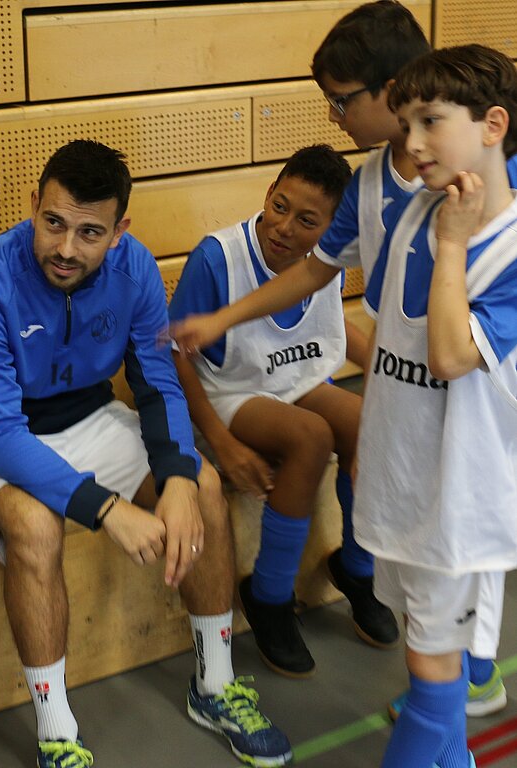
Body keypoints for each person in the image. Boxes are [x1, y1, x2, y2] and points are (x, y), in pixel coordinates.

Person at [171, 0, 515, 715]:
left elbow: (449, 349)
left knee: (445, 635)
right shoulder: (386, 191)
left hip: (467, 428)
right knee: (430, 612)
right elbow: (349, 293)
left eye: (341, 99)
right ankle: (363, 616)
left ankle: (453, 686)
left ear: (394, 90)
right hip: (409, 413)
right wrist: (224, 320)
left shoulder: (477, 203)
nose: (333, 113)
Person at [0, 139, 292, 768]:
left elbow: (157, 381)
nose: (66, 248)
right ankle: (57, 733)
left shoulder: (137, 270)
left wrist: (178, 474)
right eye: (53, 223)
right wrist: (105, 509)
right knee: (33, 524)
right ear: (33, 207)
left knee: (203, 486)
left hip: (90, 416)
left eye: (89, 231)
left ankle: (213, 686)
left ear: (121, 230)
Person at [168, 145, 398, 680]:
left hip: (290, 383)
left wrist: (393, 373)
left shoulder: (330, 261)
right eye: (280, 206)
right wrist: (220, 444)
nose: (284, 227)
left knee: (370, 421)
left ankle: (356, 568)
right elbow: (174, 357)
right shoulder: (217, 257)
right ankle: (269, 593)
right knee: (312, 437)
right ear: (268, 193)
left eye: (307, 221)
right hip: (225, 393)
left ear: (333, 227)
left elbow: (336, 338)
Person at [360, 44, 517, 768]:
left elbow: (451, 355)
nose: (412, 142)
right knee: (428, 669)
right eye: (405, 122)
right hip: (401, 480)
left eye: (430, 121)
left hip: (460, 501)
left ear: (492, 125)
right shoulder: (414, 213)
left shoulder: (507, 247)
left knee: (433, 678)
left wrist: (453, 246)